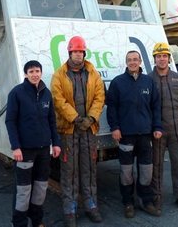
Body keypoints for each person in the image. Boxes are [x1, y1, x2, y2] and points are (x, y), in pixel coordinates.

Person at [51, 36, 105, 227]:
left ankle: (91, 205)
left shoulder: (93, 73)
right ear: (69, 53)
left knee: (89, 168)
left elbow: (100, 96)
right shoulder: (59, 75)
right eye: (74, 51)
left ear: (84, 53)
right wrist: (75, 118)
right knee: (69, 170)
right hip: (68, 130)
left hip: (88, 129)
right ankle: (70, 209)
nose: (78, 55)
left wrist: (90, 118)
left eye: (80, 51)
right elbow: (58, 100)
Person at [106, 50, 163, 218]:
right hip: (126, 135)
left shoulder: (148, 82)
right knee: (126, 171)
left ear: (140, 62)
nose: (133, 62)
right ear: (126, 62)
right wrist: (115, 127)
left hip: (145, 134)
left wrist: (157, 127)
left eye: (135, 59)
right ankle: (128, 202)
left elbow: (156, 107)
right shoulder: (118, 83)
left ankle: (146, 201)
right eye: (129, 60)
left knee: (146, 171)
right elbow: (112, 107)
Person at [5, 60, 62, 227]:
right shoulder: (16, 93)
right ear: (25, 74)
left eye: (37, 71)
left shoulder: (46, 94)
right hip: (24, 151)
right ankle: (20, 223)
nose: (35, 74)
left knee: (40, 187)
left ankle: (37, 221)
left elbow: (52, 121)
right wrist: (15, 146)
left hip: (44, 150)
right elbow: (10, 121)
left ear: (41, 73)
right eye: (31, 71)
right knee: (23, 189)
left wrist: (56, 143)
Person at [149, 42, 178, 212]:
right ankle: (156, 196)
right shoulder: (148, 80)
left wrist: (173, 114)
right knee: (157, 164)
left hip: (177, 128)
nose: (162, 59)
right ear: (155, 59)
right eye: (159, 56)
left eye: (164, 56)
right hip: (157, 129)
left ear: (169, 58)